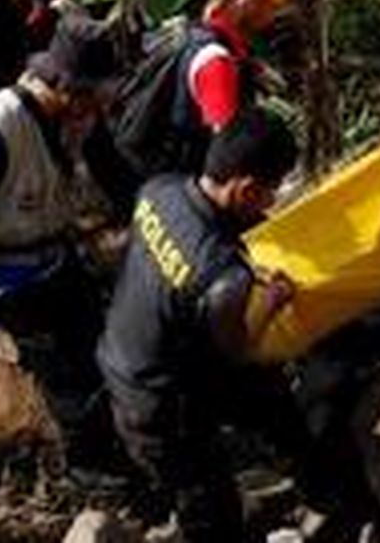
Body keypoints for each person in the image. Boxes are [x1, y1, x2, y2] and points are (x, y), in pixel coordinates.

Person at [97, 109, 307, 541]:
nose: (271, 202)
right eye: (270, 192)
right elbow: (239, 348)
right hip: (159, 407)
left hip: (119, 359)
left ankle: (289, 459)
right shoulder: (222, 276)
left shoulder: (159, 190)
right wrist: (272, 301)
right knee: (210, 509)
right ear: (246, 188)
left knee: (270, 398)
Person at [0, 12, 122, 372]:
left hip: (55, 254)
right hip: (6, 277)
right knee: (59, 374)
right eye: (91, 96)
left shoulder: (77, 116)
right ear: (66, 87)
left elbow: (111, 167)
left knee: (97, 339)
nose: (97, 108)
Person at [111, 0, 289, 189]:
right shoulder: (216, 62)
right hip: (181, 185)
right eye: (270, 5)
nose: (271, 15)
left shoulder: (193, 33)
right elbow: (227, 150)